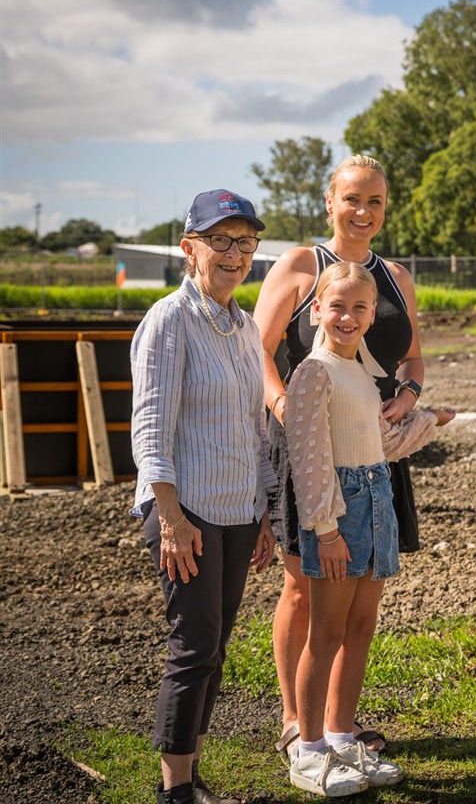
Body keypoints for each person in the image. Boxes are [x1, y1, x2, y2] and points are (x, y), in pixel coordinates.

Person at [252, 154, 426, 764]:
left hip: (373, 447)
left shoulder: (396, 276)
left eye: (375, 201)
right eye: (352, 199)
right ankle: (296, 721)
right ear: (330, 201)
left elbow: (413, 360)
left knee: (359, 593)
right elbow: (260, 348)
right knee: (305, 587)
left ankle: (338, 724)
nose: (363, 211)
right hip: (310, 444)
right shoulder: (302, 265)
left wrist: (408, 397)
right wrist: (282, 407)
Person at [284, 262, 454, 796]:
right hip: (341, 512)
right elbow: (308, 459)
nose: (348, 316)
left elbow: (381, 447)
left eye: (360, 308)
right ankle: (308, 750)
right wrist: (326, 530)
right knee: (326, 633)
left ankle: (340, 735)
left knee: (360, 628)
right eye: (337, 305)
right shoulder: (313, 373)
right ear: (316, 310)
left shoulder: (359, 372)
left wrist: (428, 422)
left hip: (378, 501)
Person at [130, 189, 278, 804]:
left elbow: (254, 426)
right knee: (193, 647)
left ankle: (189, 775)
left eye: (245, 243)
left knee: (214, 647)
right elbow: (150, 425)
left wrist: (265, 509)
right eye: (221, 240)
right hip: (185, 511)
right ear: (190, 247)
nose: (235, 253)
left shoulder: (244, 326)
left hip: (237, 510)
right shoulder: (170, 318)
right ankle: (175, 790)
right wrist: (168, 517)